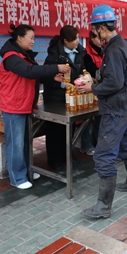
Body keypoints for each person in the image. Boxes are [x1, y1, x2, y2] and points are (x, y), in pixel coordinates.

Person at [78, 5, 127, 218]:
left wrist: (92, 88)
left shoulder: (113, 50)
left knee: (103, 155)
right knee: (126, 144)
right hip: (124, 107)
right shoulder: (122, 45)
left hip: (114, 109)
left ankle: (103, 207)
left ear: (102, 28)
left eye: (95, 29)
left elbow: (115, 82)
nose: (95, 33)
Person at [0, 24, 70, 189]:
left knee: (25, 142)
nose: (33, 41)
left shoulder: (23, 56)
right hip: (13, 107)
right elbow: (29, 71)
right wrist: (56, 67)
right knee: (16, 144)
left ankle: (27, 170)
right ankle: (17, 178)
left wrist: (53, 77)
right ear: (20, 38)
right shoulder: (11, 57)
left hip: (25, 105)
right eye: (31, 38)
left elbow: (33, 75)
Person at [42, 25, 97, 172]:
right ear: (65, 41)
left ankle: (66, 156)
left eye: (78, 38)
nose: (78, 41)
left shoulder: (80, 53)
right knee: (55, 130)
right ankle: (54, 160)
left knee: (69, 128)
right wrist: (63, 85)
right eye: (75, 39)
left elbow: (82, 70)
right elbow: (46, 77)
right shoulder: (54, 55)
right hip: (55, 98)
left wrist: (84, 78)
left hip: (72, 97)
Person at [80, 29, 104, 155]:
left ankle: (97, 142)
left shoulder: (104, 51)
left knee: (100, 116)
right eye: (99, 39)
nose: (101, 41)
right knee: (87, 119)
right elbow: (91, 70)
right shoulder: (86, 54)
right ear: (92, 39)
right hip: (89, 89)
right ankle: (86, 144)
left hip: (101, 89)